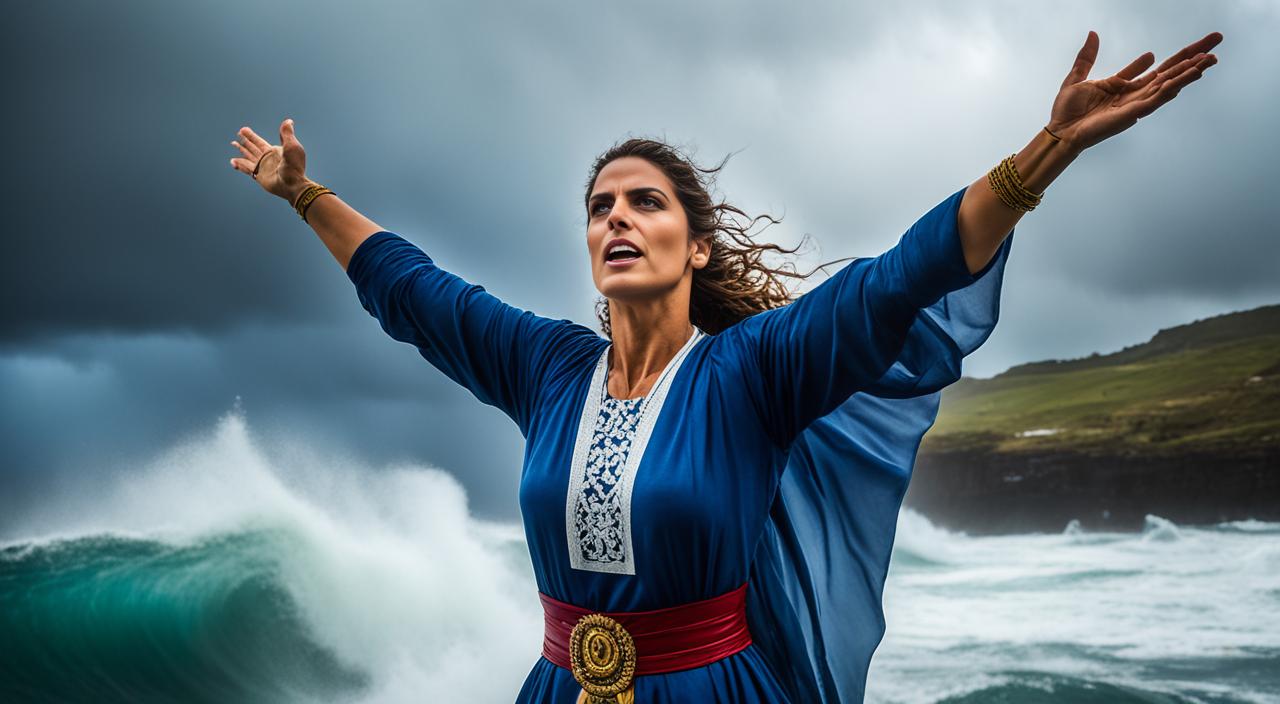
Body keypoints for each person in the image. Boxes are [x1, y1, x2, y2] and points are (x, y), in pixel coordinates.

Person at [228, 31, 1220, 703]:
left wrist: (1044, 150)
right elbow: (415, 290)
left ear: (695, 245)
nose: (614, 215)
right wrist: (303, 191)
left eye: (644, 201)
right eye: (598, 205)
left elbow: (891, 280)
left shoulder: (751, 372)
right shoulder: (544, 368)